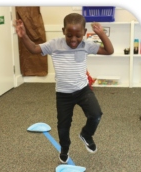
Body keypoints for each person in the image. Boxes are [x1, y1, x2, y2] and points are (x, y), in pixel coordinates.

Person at [13, 13, 114, 163]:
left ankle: (86, 134)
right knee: (63, 127)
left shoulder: (86, 45)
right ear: (63, 31)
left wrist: (101, 34)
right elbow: (34, 49)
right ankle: (64, 148)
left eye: (78, 36)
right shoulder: (54, 45)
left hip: (83, 90)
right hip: (63, 94)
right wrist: (23, 36)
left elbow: (109, 51)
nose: (74, 40)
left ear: (85, 33)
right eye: (69, 35)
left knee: (96, 114)